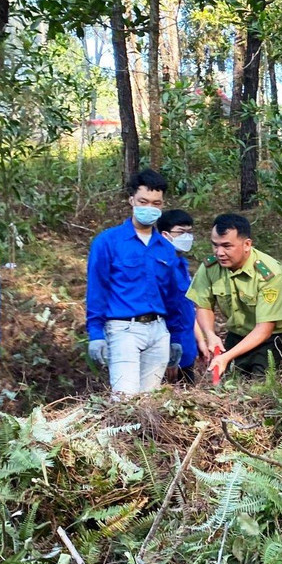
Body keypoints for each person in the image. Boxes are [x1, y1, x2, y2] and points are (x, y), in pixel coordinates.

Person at [85, 169, 193, 395]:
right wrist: (96, 334)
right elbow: (97, 291)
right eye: (143, 201)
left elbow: (173, 298)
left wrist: (176, 337)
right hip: (123, 329)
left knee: (150, 402)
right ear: (131, 200)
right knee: (125, 399)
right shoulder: (108, 242)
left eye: (156, 203)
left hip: (158, 331)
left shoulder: (166, 248)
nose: (149, 208)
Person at [189, 214, 282, 377]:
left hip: (272, 336)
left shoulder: (269, 272)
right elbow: (203, 305)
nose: (219, 252)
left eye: (227, 246)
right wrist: (210, 335)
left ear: (247, 245)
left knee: (262, 383)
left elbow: (265, 328)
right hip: (237, 332)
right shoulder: (210, 266)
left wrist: (226, 357)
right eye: (215, 245)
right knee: (231, 381)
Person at [159, 209, 202, 381]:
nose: (187, 237)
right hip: (168, 347)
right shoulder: (161, 266)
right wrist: (169, 349)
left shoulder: (182, 264)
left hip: (187, 346)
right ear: (165, 234)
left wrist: (200, 341)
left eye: (189, 232)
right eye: (181, 232)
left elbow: (188, 307)